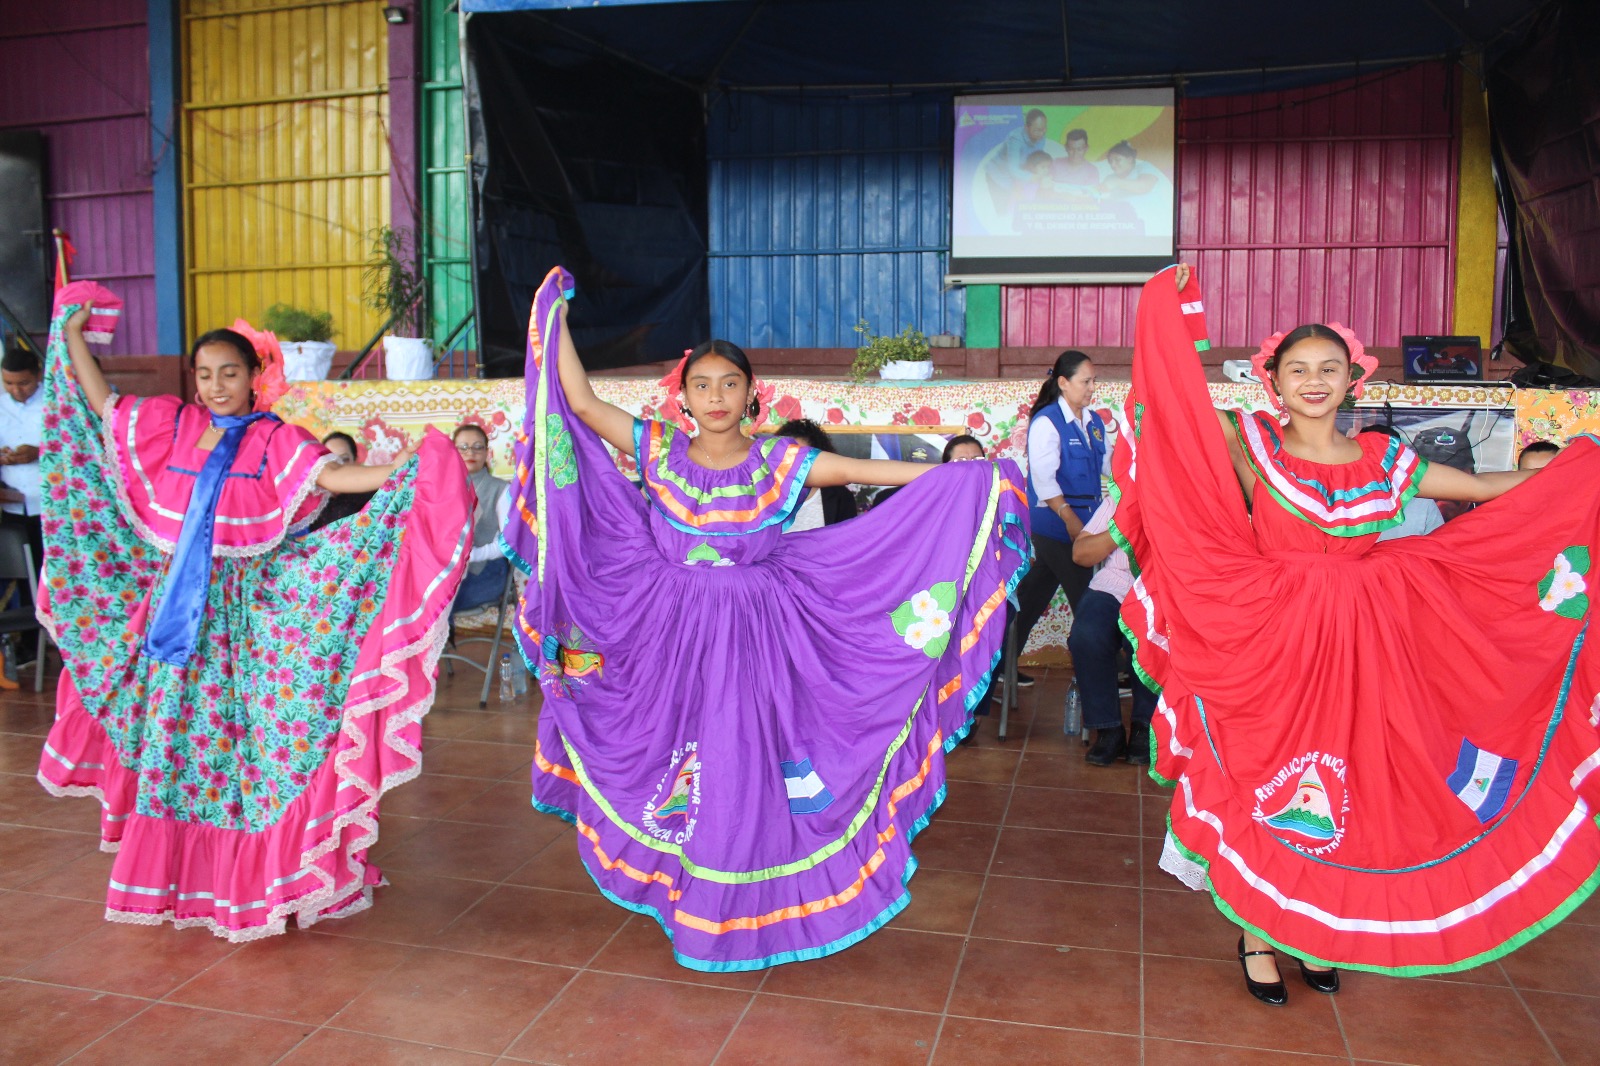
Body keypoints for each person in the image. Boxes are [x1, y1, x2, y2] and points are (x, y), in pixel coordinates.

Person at [502, 267, 1028, 972]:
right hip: (670, 638)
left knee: (740, 761)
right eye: (701, 385)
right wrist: (553, 315)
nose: (716, 397)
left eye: (729, 384)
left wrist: (960, 477)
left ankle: (736, 897)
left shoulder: (779, 460)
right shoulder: (656, 450)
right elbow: (583, 403)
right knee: (672, 757)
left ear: (753, 393)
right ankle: (685, 888)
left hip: (756, 639)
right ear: (682, 397)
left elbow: (853, 473)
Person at [1115, 264, 1600, 1005]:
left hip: (1370, 647)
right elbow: (1175, 408)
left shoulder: (1384, 459)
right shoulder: (1253, 446)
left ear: (1353, 380)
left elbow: (1482, 491)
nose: (1314, 382)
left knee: (1358, 793)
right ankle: (1259, 933)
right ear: (1272, 381)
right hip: (1271, 647)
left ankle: (1317, 932)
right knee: (1276, 783)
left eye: (1330, 369)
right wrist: (1163, 314)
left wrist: (1576, 474)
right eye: (1299, 370)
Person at [34, 287, 474, 941]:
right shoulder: (169, 428)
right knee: (176, 747)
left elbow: (333, 480)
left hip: (244, 621)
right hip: (173, 628)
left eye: (230, 373)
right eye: (205, 374)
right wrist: (72, 339)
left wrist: (405, 468)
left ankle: (254, 879)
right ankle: (179, 876)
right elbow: (104, 406)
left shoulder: (275, 442)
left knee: (248, 754)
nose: (216, 386)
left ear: (253, 377)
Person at [1009, 350, 1108, 688]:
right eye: (1086, 381)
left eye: (1094, 381)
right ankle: (1102, 676)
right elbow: (1044, 480)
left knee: (1032, 596)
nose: (1092, 387)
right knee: (1090, 600)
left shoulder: (1093, 422)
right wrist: (1068, 518)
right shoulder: (1047, 422)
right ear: (1063, 383)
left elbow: (1111, 467)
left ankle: (996, 669)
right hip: (1056, 526)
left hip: (1087, 524)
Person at [1068, 479, 1157, 766]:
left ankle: (1145, 727)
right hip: (1115, 585)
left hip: (1161, 590)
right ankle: (1108, 729)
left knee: (1147, 637)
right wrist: (1125, 526)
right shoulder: (1122, 498)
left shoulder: (1193, 495)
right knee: (1087, 635)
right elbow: (1081, 554)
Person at [452, 422, 512, 610]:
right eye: (463, 448)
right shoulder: (440, 488)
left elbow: (507, 544)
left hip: (485, 571)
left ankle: (444, 639)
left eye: (478, 447)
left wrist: (471, 556)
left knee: (439, 603)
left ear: (487, 452)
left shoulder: (501, 490)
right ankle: (444, 639)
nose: (470, 453)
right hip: (446, 572)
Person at [1358, 426, 1445, 541]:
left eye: (1386, 454)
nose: (1380, 461)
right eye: (1371, 453)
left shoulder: (1422, 502)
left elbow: (1438, 550)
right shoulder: (1338, 501)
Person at [774, 418, 859, 530]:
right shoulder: (761, 496)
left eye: (800, 457)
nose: (791, 464)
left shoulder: (841, 497)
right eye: (785, 456)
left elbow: (847, 542)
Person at [308, 431, 374, 531]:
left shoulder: (372, 495)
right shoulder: (312, 498)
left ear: (355, 461)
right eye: (331, 460)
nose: (338, 465)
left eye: (344, 459)